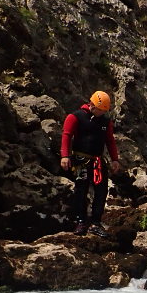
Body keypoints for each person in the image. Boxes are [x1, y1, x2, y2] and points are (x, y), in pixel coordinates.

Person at [60, 90, 121, 237]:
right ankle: (81, 221)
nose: (101, 113)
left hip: (98, 161)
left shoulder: (105, 122)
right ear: (92, 104)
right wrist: (65, 156)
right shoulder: (75, 117)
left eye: (104, 111)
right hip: (81, 160)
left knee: (101, 191)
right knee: (81, 190)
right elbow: (67, 136)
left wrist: (115, 159)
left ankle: (96, 223)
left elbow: (110, 141)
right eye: (100, 110)